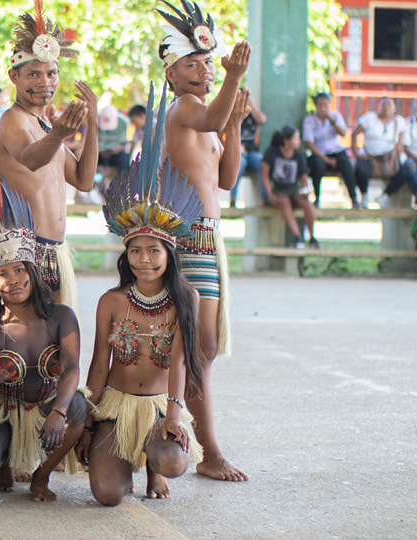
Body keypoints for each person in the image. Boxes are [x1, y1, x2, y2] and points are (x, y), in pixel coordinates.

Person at [76, 84, 204, 504]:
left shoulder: (186, 299)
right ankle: (123, 464)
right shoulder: (112, 301)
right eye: (135, 250)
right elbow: (99, 362)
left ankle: (153, 464)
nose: (144, 259)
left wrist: (173, 414)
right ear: (125, 253)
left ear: (169, 254)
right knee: (107, 495)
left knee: (172, 462)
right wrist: (91, 417)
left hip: (157, 408)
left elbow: (180, 361)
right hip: (116, 402)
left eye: (153, 250)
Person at [0, 129, 86, 501]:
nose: (12, 281)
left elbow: (73, 369)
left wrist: (59, 410)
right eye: (2, 275)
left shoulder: (61, 316)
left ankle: (42, 475)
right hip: (4, 406)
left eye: (19, 271)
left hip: (48, 405)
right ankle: (5, 462)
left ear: (32, 273)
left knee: (76, 405)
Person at [158, 0, 250, 481]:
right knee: (199, 347)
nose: (203, 70)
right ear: (171, 75)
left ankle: (197, 441)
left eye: (208, 63)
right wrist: (233, 82)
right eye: (190, 63)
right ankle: (207, 451)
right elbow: (212, 118)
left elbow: (228, 178)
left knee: (203, 349)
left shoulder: (209, 118)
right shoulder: (186, 110)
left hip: (207, 239)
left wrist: (235, 123)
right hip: (188, 239)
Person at [0, 1, 98, 315]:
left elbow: (84, 180)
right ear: (14, 77)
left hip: (54, 249)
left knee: (53, 345)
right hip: (24, 252)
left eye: (51, 73)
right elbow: (31, 159)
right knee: (26, 343)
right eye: (33, 74)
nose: (44, 81)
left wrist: (93, 123)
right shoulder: (13, 120)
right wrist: (60, 133)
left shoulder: (46, 124)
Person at [261, 125, 320, 249]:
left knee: (308, 204)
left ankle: (312, 237)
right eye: (296, 138)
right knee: (284, 202)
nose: (299, 141)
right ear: (287, 141)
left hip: (294, 190)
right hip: (278, 190)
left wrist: (306, 191)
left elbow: (303, 178)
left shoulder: (299, 156)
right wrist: (270, 195)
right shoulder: (272, 152)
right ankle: (297, 237)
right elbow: (265, 176)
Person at [350, 97, 409, 208]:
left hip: (388, 157)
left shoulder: (399, 121)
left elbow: (400, 143)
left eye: (389, 104)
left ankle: (385, 196)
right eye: (383, 104)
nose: (386, 107)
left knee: (405, 171)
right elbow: (354, 134)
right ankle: (364, 196)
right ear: (378, 107)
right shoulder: (369, 118)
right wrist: (356, 153)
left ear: (394, 108)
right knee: (360, 168)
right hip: (369, 156)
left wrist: (398, 158)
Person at [303, 92, 358, 208]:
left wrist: (330, 120)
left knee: (346, 164)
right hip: (319, 153)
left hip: (336, 152)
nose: (323, 108)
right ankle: (317, 198)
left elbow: (343, 133)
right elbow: (309, 143)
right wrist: (326, 159)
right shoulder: (309, 120)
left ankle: (354, 199)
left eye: (326, 105)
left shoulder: (335, 116)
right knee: (316, 165)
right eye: (320, 105)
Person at [230, 93, 266, 208]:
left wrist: (250, 105)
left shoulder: (252, 115)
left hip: (250, 153)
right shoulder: (232, 114)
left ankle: (263, 200)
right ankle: (233, 198)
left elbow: (262, 119)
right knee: (240, 163)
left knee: (262, 162)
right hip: (237, 153)